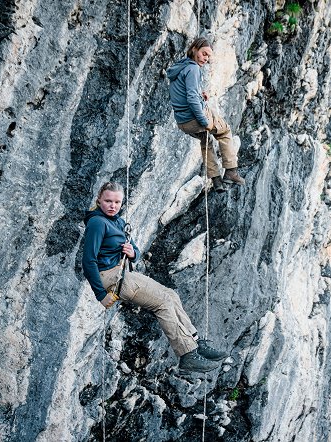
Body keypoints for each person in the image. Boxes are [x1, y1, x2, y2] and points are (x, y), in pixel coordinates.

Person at [82, 181, 225, 372]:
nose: (112, 206)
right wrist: (100, 294)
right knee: (162, 303)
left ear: (122, 202)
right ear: (99, 200)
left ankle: (196, 342)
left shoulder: (119, 222)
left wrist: (132, 253)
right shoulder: (97, 223)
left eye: (117, 202)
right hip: (109, 277)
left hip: (122, 274)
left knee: (171, 295)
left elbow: (137, 252)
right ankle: (187, 354)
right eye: (108, 201)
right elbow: (88, 260)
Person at [167, 37, 245, 193]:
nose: (206, 59)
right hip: (195, 117)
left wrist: (199, 95)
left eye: (209, 56)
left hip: (183, 122)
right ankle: (231, 171)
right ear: (194, 49)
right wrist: (203, 120)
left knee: (206, 140)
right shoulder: (193, 68)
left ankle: (216, 181)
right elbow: (191, 98)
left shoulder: (179, 67)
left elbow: (184, 93)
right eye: (204, 54)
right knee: (224, 131)